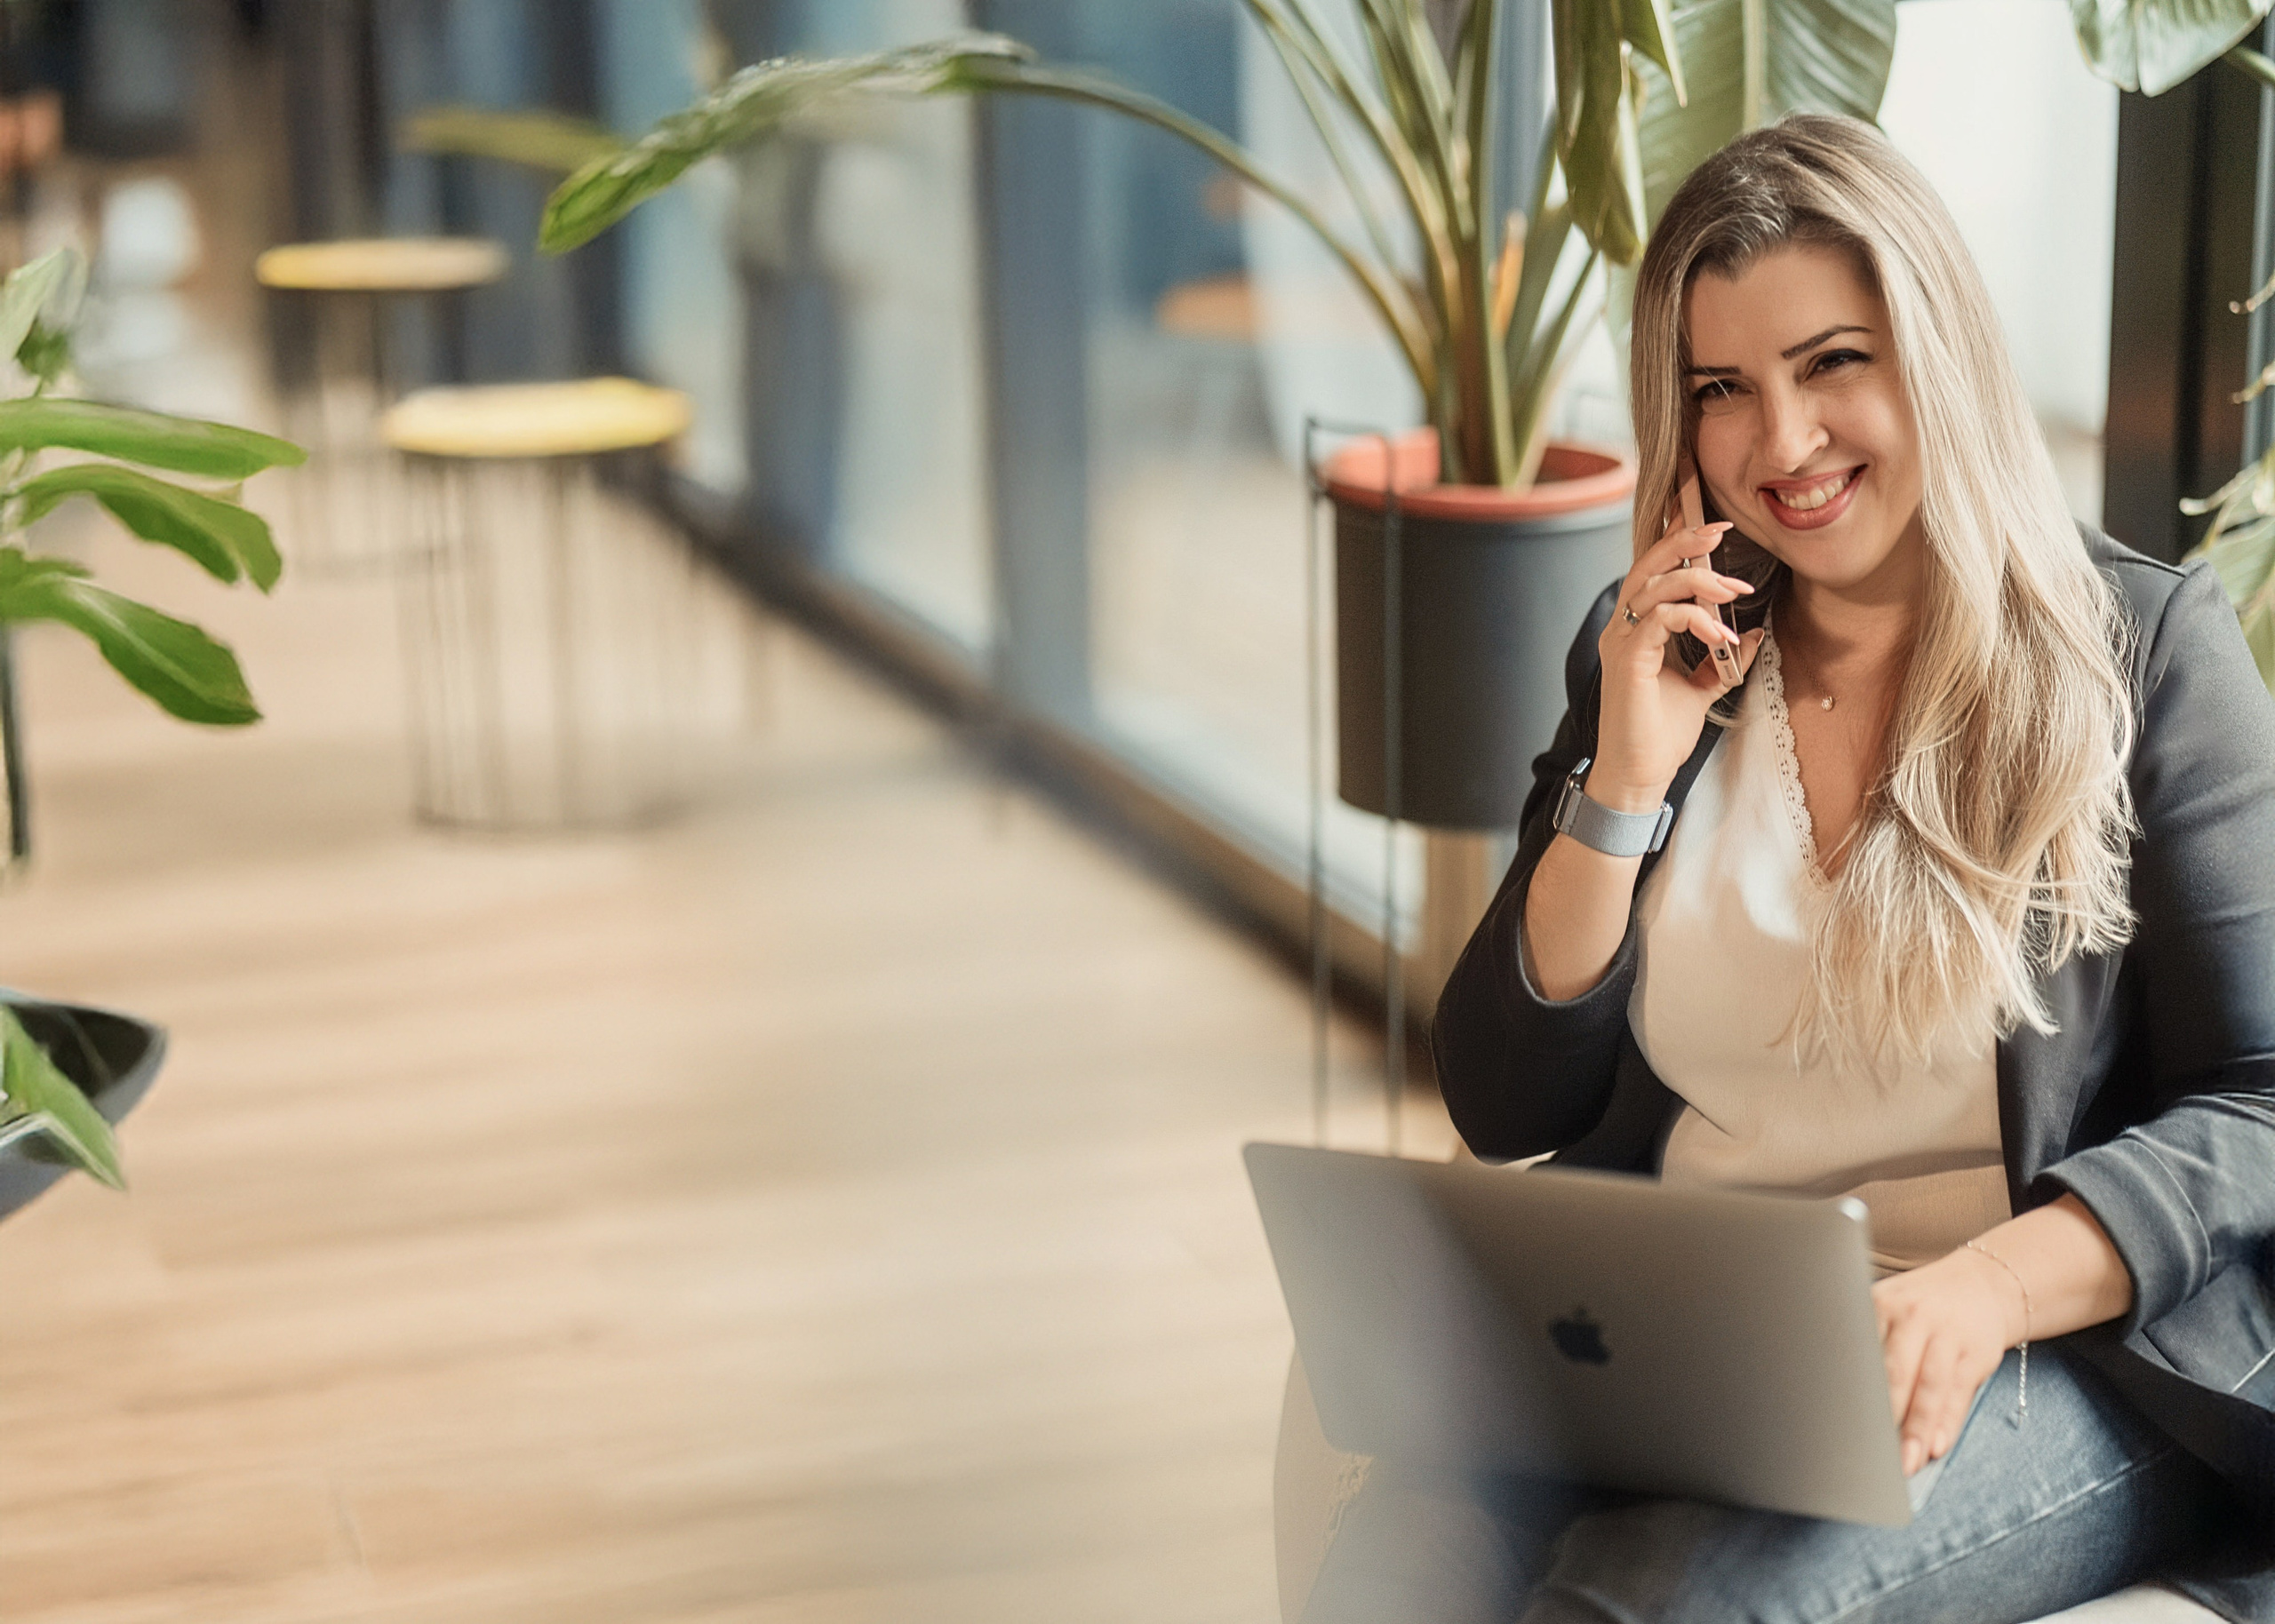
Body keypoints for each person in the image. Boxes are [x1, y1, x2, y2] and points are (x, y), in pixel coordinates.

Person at [1311, 115, 2275, 1623]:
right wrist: (1622, 783)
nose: (1783, 444)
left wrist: (1985, 1288)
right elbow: (1508, 1103)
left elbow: (2262, 1100)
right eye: (1722, 390)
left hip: (2031, 1348)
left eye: (1834, 362)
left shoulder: (2141, 656)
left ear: (1931, 355)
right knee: (1389, 1580)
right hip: (1694, 1330)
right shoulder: (1657, 654)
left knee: (1663, 1605)